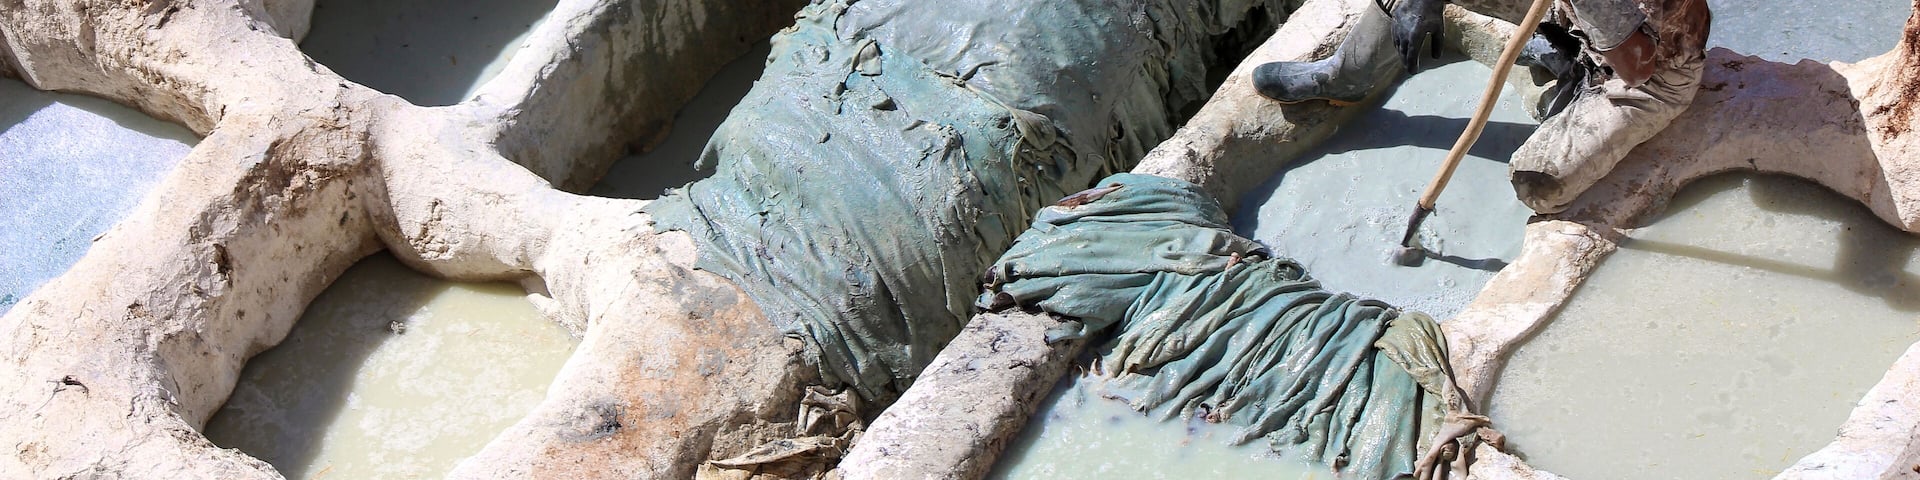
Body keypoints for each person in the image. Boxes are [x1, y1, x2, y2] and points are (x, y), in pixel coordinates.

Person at [1252, 0, 1712, 214]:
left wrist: (1587, 21)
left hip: (1646, 72)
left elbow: (1639, 66)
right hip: (1580, 20)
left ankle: (1574, 63)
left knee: (1538, 182)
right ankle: (1344, 76)